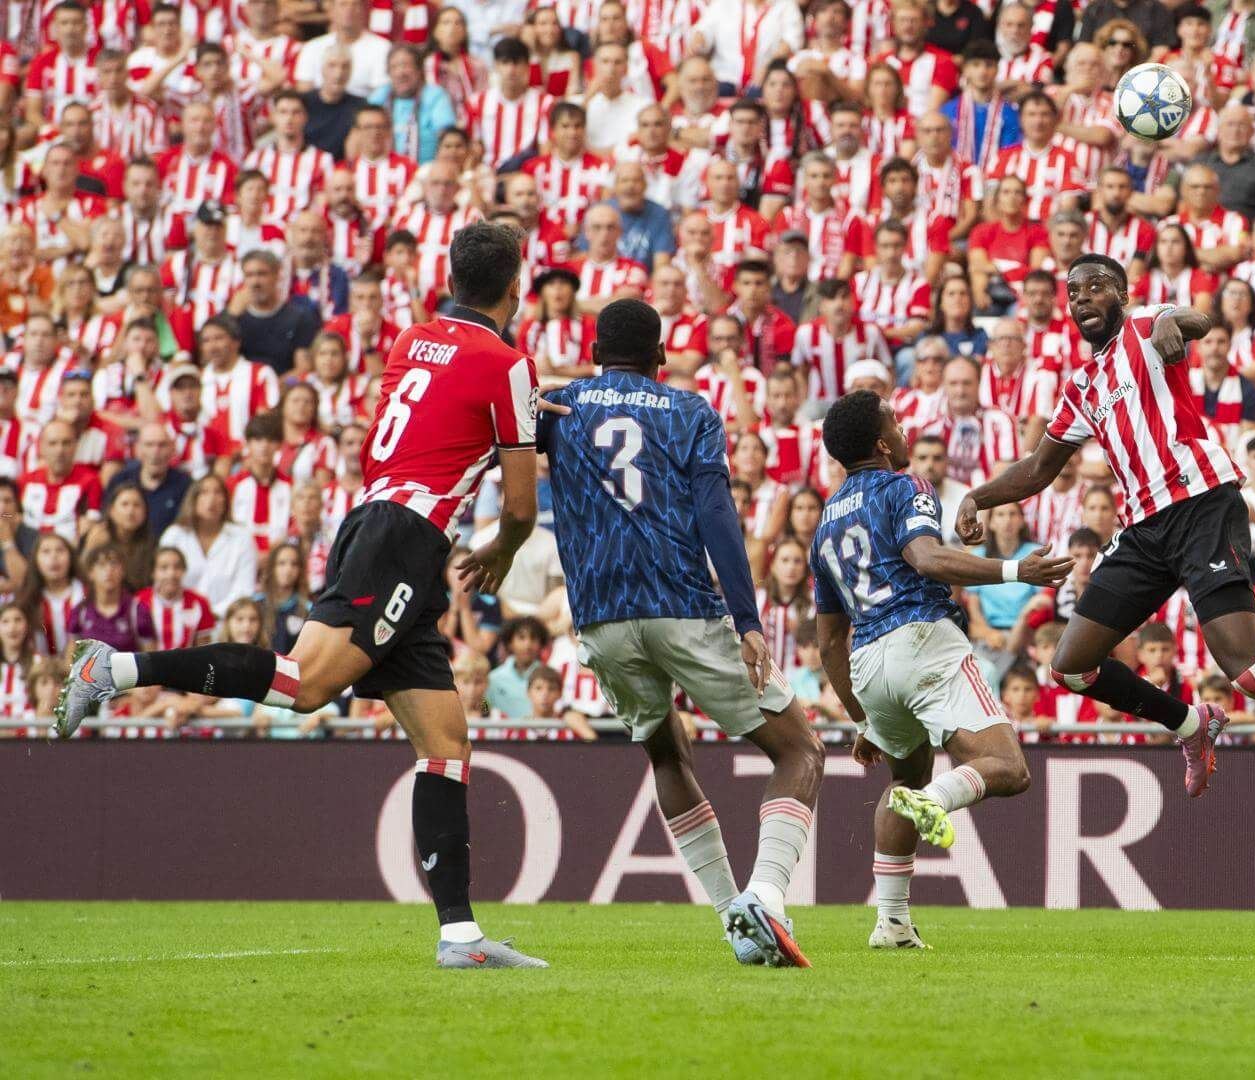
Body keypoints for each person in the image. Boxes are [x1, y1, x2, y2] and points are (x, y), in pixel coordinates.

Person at [57, 222, 553, 970]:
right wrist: (503, 551)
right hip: (405, 537)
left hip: (382, 525)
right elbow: (518, 507)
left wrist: (532, 407)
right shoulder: (508, 364)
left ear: (451, 280)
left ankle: (460, 938)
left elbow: (444, 417)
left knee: (447, 743)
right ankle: (115, 669)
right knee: (304, 685)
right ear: (516, 286)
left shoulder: (411, 341)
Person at [953, 253, 1255, 817]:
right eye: (1074, 291)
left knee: (1248, 671)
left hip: (1201, 505)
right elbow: (1038, 468)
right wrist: (977, 497)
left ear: (1123, 295)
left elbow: (1197, 320)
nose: (1083, 297)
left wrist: (1171, 321)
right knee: (1070, 667)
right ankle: (1190, 724)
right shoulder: (1082, 386)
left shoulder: (1145, 326)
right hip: (1144, 529)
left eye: (1096, 286)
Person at [538, 298, 825, 969]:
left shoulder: (558, 407)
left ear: (594, 352)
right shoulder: (691, 411)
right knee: (800, 751)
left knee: (667, 753)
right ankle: (765, 897)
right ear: (662, 355)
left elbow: (506, 428)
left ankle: (734, 920)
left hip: (601, 616)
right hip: (682, 606)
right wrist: (747, 621)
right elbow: (718, 517)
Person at [810, 389, 1071, 948]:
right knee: (1009, 768)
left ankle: (891, 922)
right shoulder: (907, 486)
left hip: (867, 664)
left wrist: (863, 720)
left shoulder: (824, 524)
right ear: (882, 444)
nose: (904, 430)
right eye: (896, 423)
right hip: (923, 640)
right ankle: (933, 802)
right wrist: (1016, 570)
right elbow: (926, 558)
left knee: (904, 780)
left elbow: (828, 640)